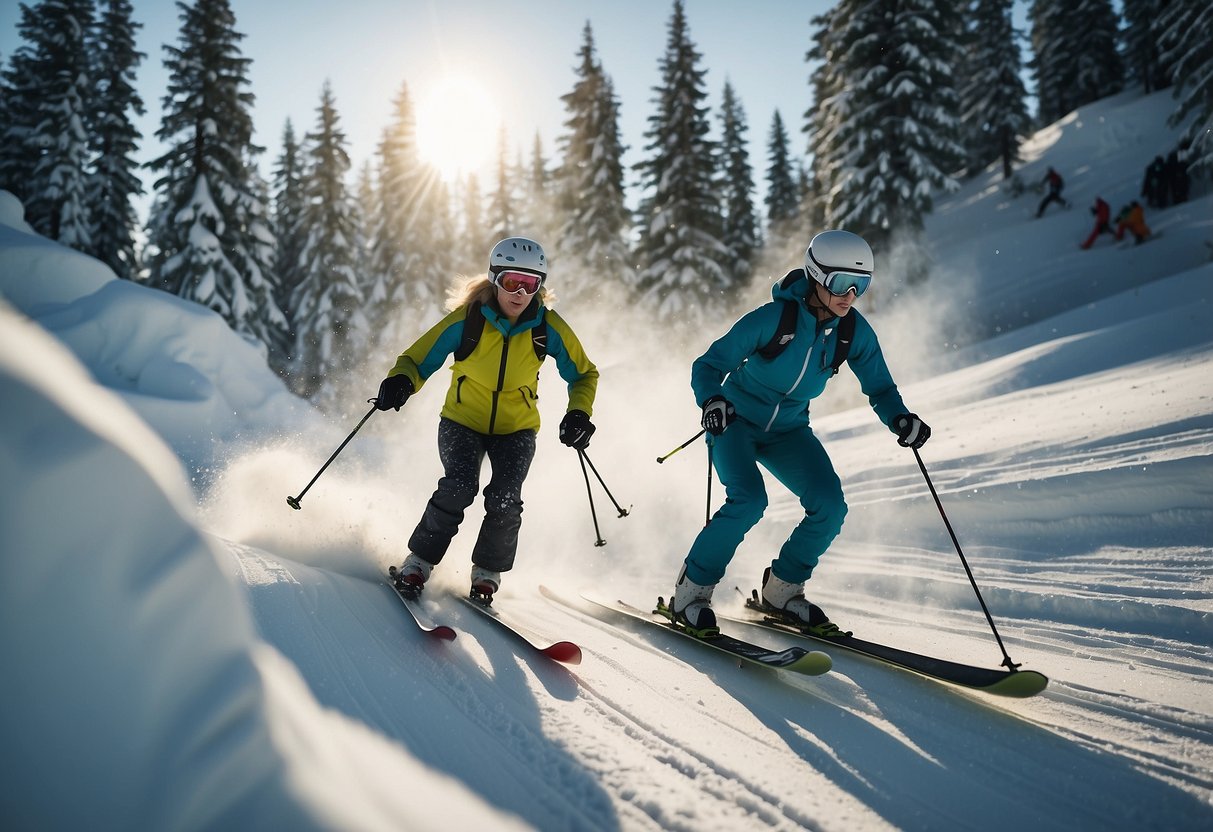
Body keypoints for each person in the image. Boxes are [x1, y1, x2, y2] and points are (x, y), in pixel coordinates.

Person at [669, 229, 930, 636]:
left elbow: (880, 387)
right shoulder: (773, 320)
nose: (850, 296)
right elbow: (708, 364)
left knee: (830, 505)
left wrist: (901, 418)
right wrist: (712, 401)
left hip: (789, 430)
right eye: (843, 283)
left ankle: (782, 589)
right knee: (749, 501)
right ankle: (691, 592)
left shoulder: (852, 332)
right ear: (816, 276)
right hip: (735, 421)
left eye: (861, 286)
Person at [375, 237, 599, 601]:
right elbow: (418, 359)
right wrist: (402, 381)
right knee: (460, 485)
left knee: (506, 498)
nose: (521, 292)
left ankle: (486, 575)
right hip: (461, 421)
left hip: (517, 428)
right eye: (512, 281)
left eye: (531, 284)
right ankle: (417, 563)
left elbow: (584, 374)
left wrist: (578, 412)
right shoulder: (469, 320)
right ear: (495, 278)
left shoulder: (547, 327)